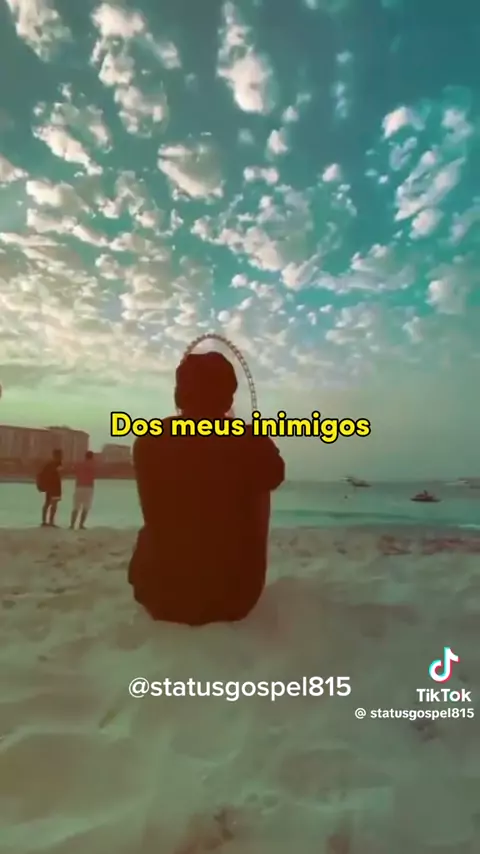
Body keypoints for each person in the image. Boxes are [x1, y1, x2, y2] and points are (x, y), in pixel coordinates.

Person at [128, 351, 285, 626]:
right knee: (262, 477)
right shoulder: (250, 440)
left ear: (179, 394)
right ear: (228, 398)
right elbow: (275, 475)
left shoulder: (148, 439)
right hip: (234, 598)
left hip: (159, 594)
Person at [37, 448, 63, 527]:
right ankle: (50, 522)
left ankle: (45, 521)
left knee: (48, 504)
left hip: (51, 487)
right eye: (60, 455)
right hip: (54, 487)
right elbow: (59, 474)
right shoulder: (55, 464)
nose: (61, 457)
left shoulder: (51, 464)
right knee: (52, 504)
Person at [70, 450, 96, 530]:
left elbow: (73, 471)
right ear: (92, 457)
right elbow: (94, 474)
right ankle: (81, 525)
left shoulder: (79, 464)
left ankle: (72, 525)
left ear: (85, 456)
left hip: (79, 486)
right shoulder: (93, 465)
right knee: (85, 508)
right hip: (88, 487)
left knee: (76, 507)